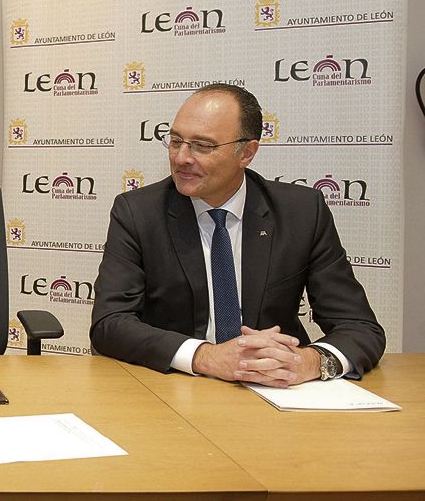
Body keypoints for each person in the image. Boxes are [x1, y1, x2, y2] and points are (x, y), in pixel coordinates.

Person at [91, 84, 384, 386]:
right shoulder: (138, 213)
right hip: (175, 387)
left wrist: (307, 362)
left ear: (246, 152)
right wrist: (206, 356)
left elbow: (360, 327)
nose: (181, 158)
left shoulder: (301, 212)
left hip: (275, 389)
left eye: (202, 146)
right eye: (176, 141)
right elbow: (110, 323)